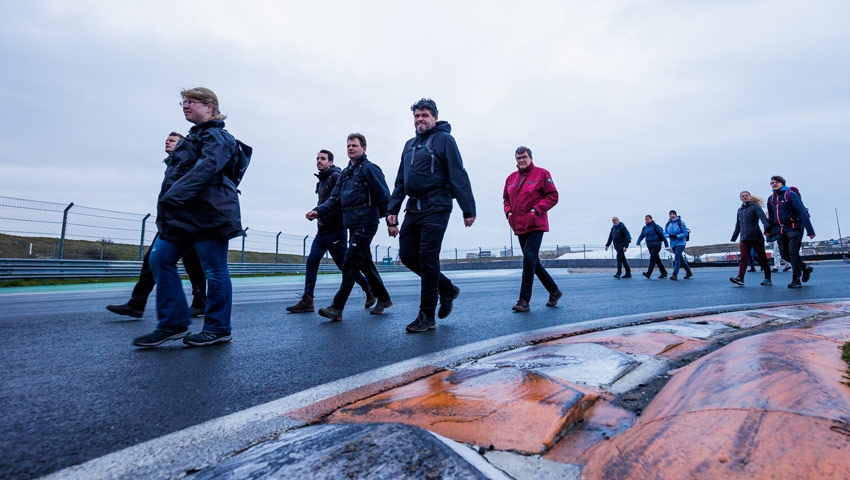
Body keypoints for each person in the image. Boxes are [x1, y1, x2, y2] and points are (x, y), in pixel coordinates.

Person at [133, 87, 248, 348]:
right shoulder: (192, 137)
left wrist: (174, 195)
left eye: (191, 102)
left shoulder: (219, 137)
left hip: (210, 216)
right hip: (182, 217)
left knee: (215, 271)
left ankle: (218, 328)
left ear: (210, 107)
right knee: (159, 258)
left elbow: (207, 169)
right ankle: (172, 323)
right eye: (183, 102)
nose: (185, 106)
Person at [387, 98, 476, 333]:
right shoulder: (409, 145)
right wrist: (392, 210)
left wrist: (468, 209)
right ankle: (446, 288)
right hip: (413, 208)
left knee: (428, 257)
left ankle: (427, 315)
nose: (420, 119)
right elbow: (400, 181)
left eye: (424, 115)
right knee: (407, 255)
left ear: (434, 117)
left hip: (437, 205)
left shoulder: (444, 140)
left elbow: (458, 173)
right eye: (416, 115)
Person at [107, 132, 207, 319]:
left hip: (184, 221)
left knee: (175, 262)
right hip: (173, 220)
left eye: (172, 140)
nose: (167, 142)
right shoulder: (172, 163)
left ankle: (181, 311)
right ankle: (138, 304)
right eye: (166, 140)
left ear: (183, 145)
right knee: (159, 261)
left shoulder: (186, 163)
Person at [308, 133, 392, 321]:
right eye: (348, 146)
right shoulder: (345, 174)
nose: (351, 148)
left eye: (354, 145)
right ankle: (384, 298)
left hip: (366, 222)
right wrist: (318, 211)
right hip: (352, 224)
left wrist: (390, 222)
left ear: (364, 148)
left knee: (349, 263)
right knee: (365, 263)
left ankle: (337, 307)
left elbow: (385, 196)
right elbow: (334, 199)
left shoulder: (370, 169)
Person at [286, 149, 375, 313]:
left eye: (323, 159)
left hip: (335, 231)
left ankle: (368, 287)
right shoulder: (321, 181)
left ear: (331, 162)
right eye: (317, 159)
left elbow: (336, 202)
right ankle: (307, 300)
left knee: (345, 267)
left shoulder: (336, 177)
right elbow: (324, 201)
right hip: (321, 232)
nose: (319, 161)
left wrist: (319, 211)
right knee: (311, 262)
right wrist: (316, 212)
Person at [502, 146, 562, 312]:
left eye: (524, 157)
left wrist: (536, 210)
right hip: (519, 225)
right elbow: (505, 199)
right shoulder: (511, 178)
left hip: (536, 224)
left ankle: (524, 300)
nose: (521, 160)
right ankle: (554, 291)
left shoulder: (542, 174)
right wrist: (508, 213)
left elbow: (553, 196)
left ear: (531, 158)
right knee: (533, 262)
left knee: (528, 260)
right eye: (518, 158)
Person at [766, 176, 815, 288]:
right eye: (772, 183)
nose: (774, 184)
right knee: (784, 254)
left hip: (794, 228)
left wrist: (810, 231)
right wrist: (768, 230)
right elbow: (771, 216)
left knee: (793, 253)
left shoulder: (791, 195)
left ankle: (796, 280)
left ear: (783, 183)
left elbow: (802, 212)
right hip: (781, 230)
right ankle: (805, 267)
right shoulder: (771, 199)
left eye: (776, 182)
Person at [729, 191, 772, 286]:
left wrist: (767, 228)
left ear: (750, 197)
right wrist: (734, 237)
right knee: (743, 258)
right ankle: (740, 278)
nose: (744, 197)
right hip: (744, 238)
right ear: (740, 198)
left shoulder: (755, 207)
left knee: (762, 257)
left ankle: (768, 278)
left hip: (756, 237)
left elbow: (763, 218)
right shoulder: (740, 210)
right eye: (742, 196)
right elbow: (738, 224)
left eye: (746, 196)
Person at [636, 214, 668, 279]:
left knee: (652, 259)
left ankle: (648, 273)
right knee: (657, 260)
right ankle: (664, 273)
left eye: (648, 219)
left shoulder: (656, 226)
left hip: (657, 244)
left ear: (651, 219)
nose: (646, 220)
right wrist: (638, 241)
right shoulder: (645, 228)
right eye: (645, 219)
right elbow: (642, 235)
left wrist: (666, 244)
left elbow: (662, 235)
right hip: (649, 245)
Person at [664, 210, 693, 281]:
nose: (672, 215)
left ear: (676, 215)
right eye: (670, 214)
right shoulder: (668, 224)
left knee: (676, 258)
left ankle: (675, 274)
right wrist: (670, 236)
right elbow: (664, 234)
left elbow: (685, 233)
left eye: (673, 214)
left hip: (681, 243)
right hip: (673, 244)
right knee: (681, 259)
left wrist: (677, 236)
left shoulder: (681, 223)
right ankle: (688, 272)